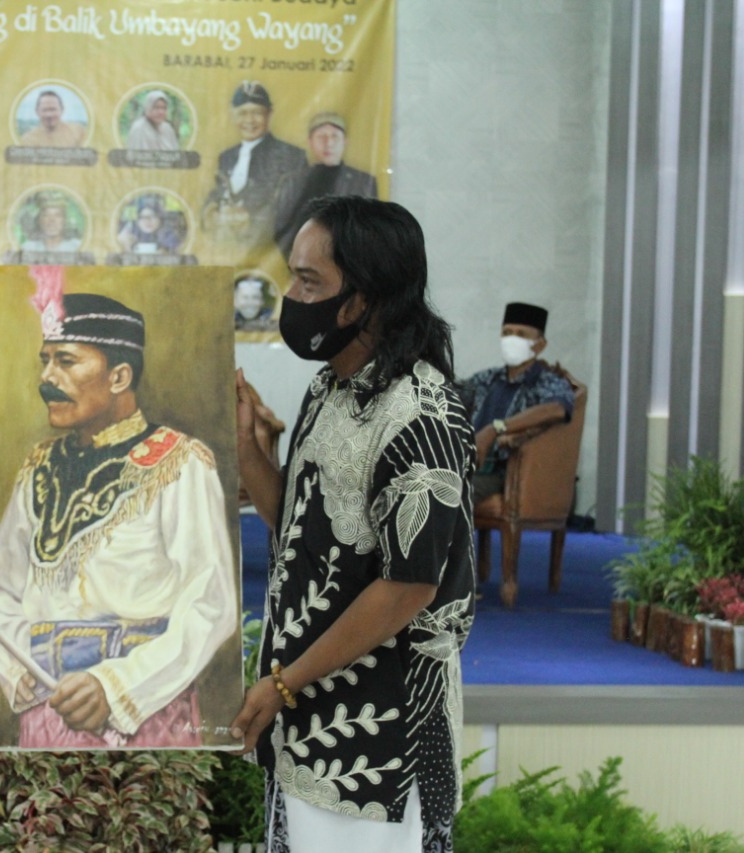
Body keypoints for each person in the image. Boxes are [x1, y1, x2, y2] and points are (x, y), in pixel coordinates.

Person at [233, 196, 475, 853]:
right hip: (308, 716)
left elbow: (408, 587)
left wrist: (286, 681)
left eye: (309, 281)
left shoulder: (421, 413)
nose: (291, 295)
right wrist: (250, 452)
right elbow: (299, 533)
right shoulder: (327, 389)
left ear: (362, 298)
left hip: (379, 746)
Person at [0, 276, 237, 749]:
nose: (46, 379)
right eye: (45, 362)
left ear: (118, 377)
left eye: (66, 361)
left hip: (143, 712)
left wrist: (116, 687)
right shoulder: (40, 466)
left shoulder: (178, 462)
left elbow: (209, 603)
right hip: (47, 710)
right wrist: (18, 665)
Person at [457, 302, 576, 506]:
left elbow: (556, 409)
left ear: (540, 345)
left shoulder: (547, 381)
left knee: (449, 492)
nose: (512, 339)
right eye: (507, 332)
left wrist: (495, 429)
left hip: (506, 472)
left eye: (521, 334)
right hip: (466, 465)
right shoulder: (488, 378)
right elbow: (449, 396)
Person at [203, 82, 307, 249]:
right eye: (242, 113)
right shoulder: (226, 157)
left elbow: (295, 208)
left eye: (257, 113)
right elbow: (217, 193)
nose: (249, 120)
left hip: (270, 252)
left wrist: (248, 217)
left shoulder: (291, 156)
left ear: (269, 114)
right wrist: (213, 214)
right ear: (232, 115)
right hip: (228, 250)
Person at [277, 112, 380, 253]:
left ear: (345, 141)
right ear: (310, 141)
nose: (329, 143)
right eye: (321, 137)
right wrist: (301, 263)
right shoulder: (291, 182)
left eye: (335, 136)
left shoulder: (364, 182)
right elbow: (282, 231)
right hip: (304, 262)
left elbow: (370, 229)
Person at [19, 90, 88, 147]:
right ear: (37, 112)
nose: (49, 115)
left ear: (62, 110)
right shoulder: (28, 139)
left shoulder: (78, 132)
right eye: (45, 110)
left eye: (53, 109)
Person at [116, 196, 183, 254]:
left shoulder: (169, 236)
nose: (147, 221)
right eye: (142, 217)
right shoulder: (131, 234)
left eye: (152, 216)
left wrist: (166, 254)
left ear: (160, 219)